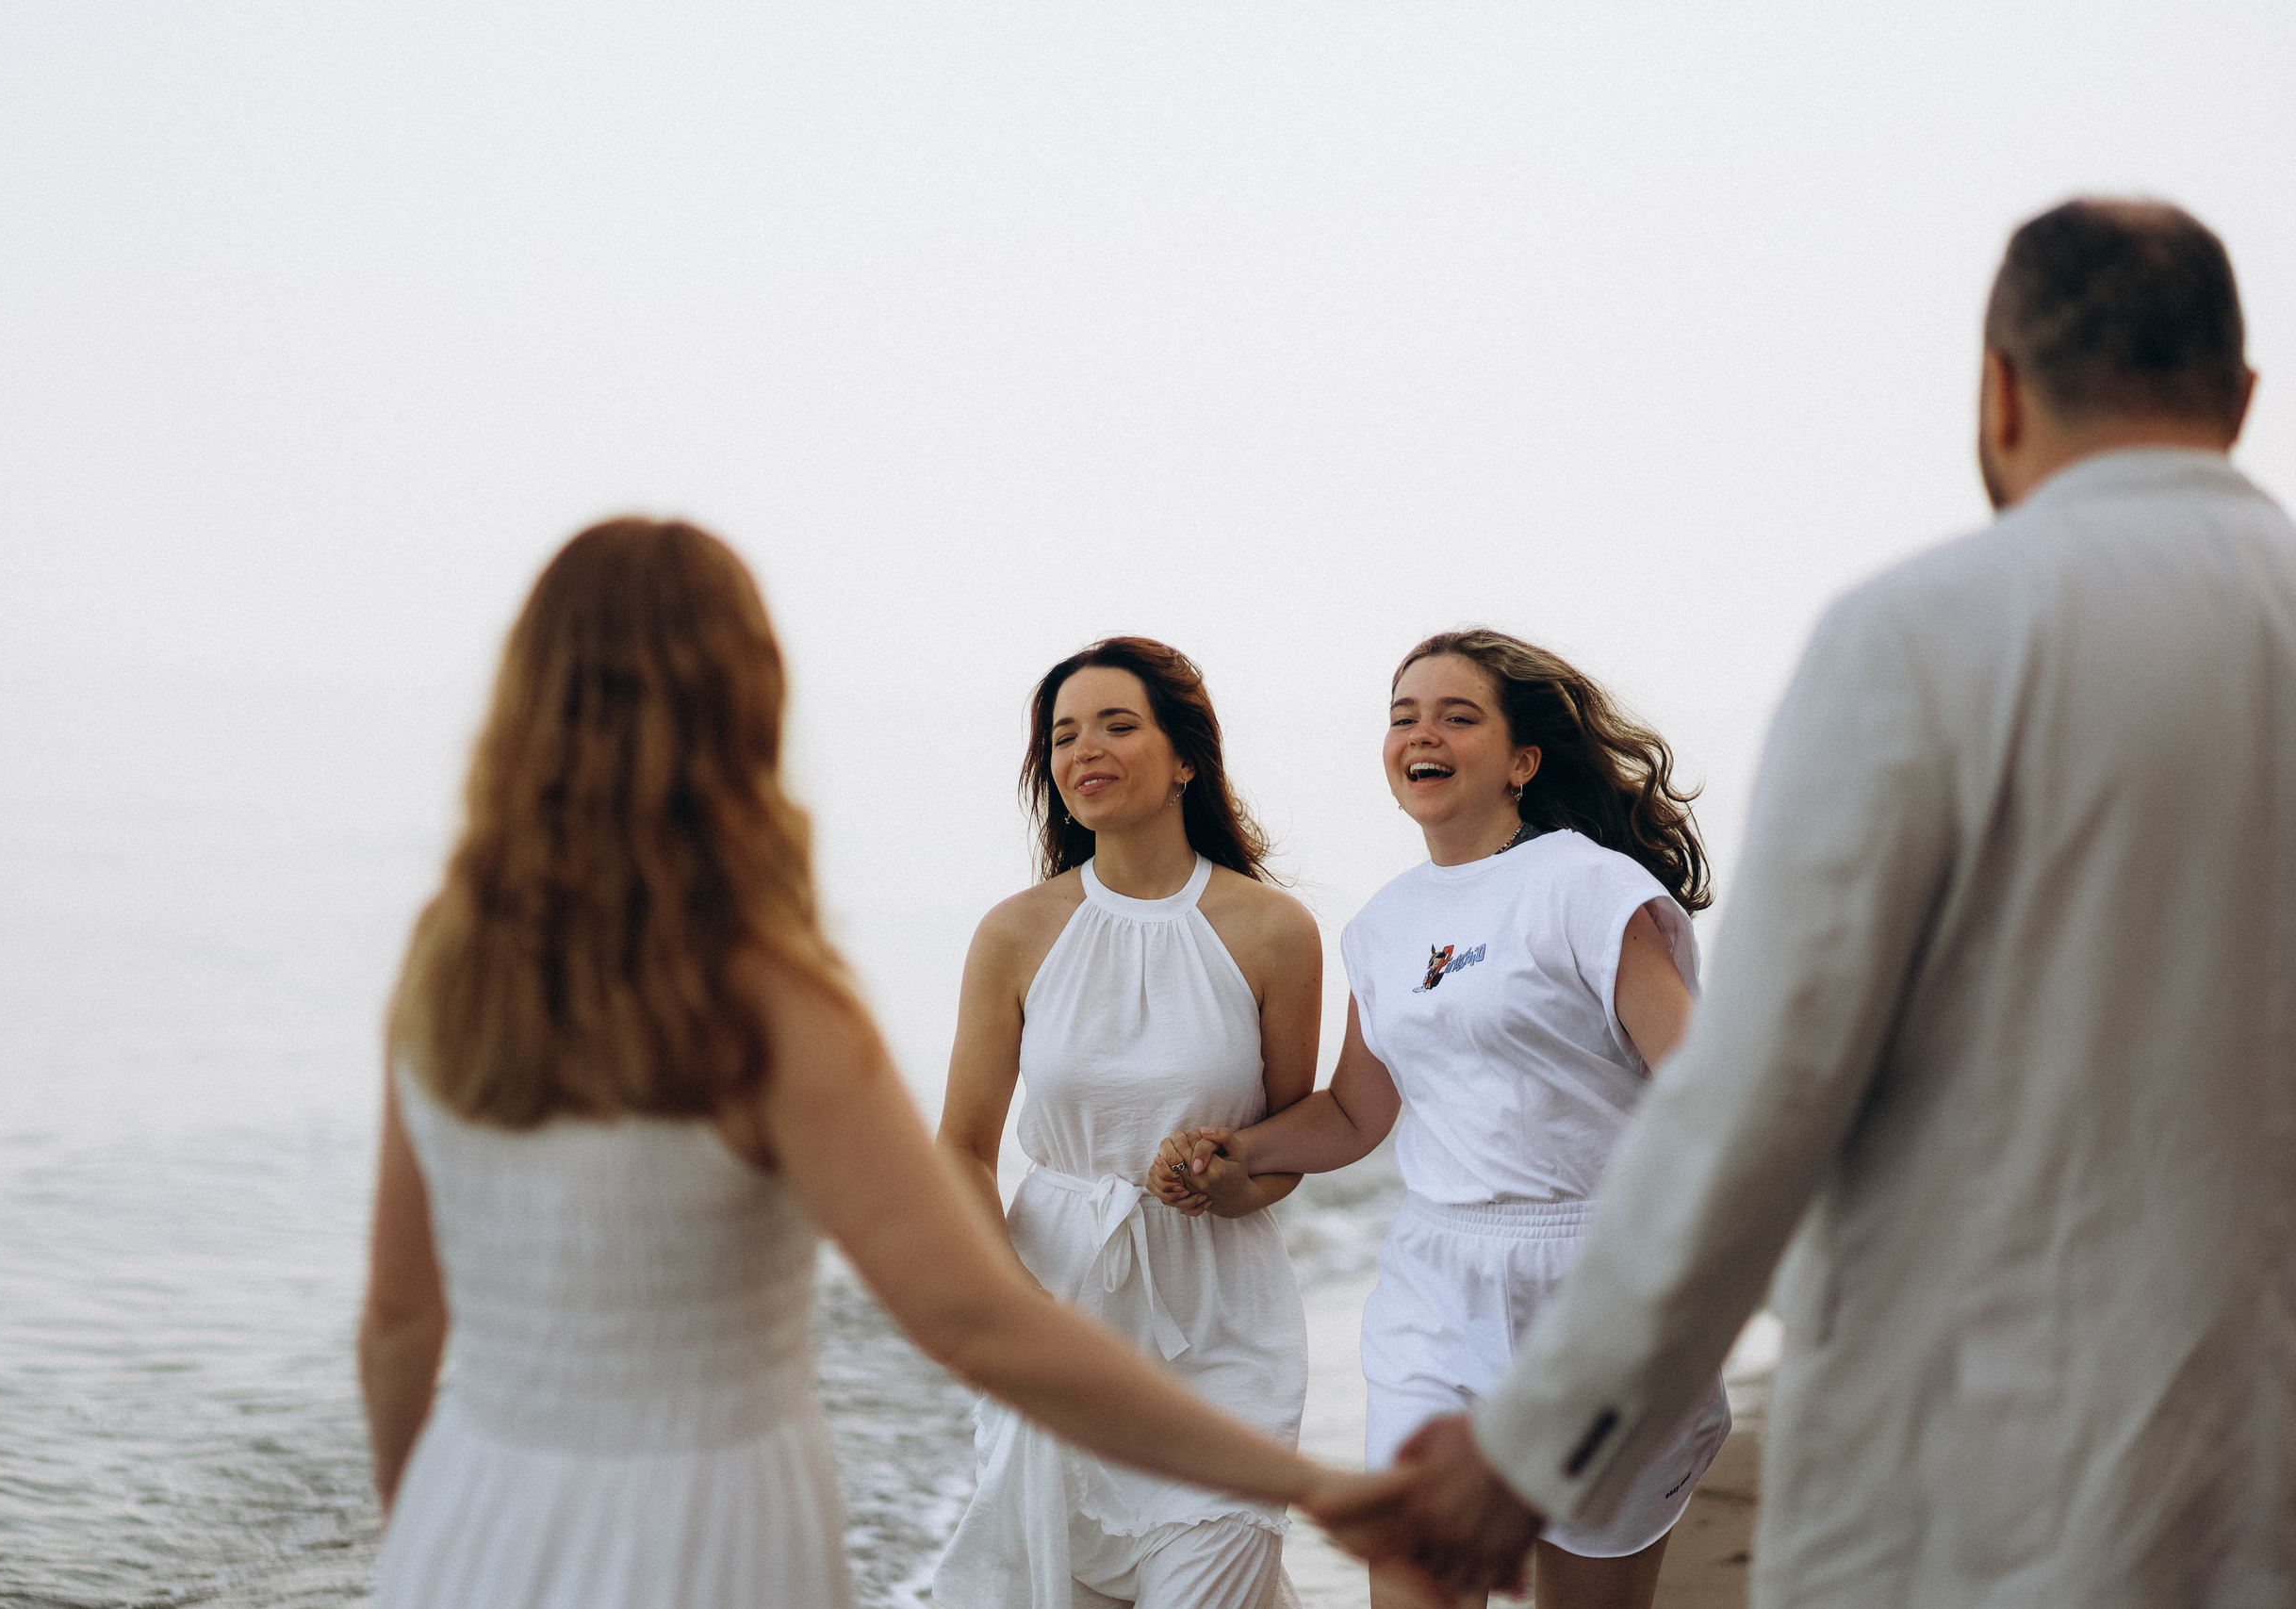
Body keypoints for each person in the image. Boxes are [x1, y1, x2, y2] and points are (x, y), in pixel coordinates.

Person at [1383, 197, 2296, 1608]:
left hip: (1980, 1455)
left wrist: (1531, 1438)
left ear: (1997, 390)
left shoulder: (1919, 637)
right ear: (2241, 394)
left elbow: (1760, 1096)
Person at [353, 523, 1422, 1609]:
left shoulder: (448, 964)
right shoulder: (771, 1001)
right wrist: (1322, 1488)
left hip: (468, 1514)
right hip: (706, 1535)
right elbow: (970, 1318)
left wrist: (418, 1536)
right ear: (748, 702)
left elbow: (398, 1321)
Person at [1152, 629, 1731, 1609]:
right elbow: (1350, 1112)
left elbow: (1703, 1093)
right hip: (1439, 1287)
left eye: (1457, 716)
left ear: (1521, 761)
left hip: (1602, 1276)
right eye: (1402, 717)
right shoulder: (1382, 927)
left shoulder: (1588, 888)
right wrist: (1234, 1151)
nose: (1422, 734)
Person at [931, 637, 1322, 1609]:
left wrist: (1232, 1180)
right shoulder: (1016, 933)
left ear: (1184, 755)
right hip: (1058, 1309)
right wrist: (1014, 1306)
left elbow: (1285, 1149)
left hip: (1220, 1325)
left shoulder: (1272, 931)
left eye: (1115, 724)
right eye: (1063, 735)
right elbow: (962, 1150)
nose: (1084, 751)